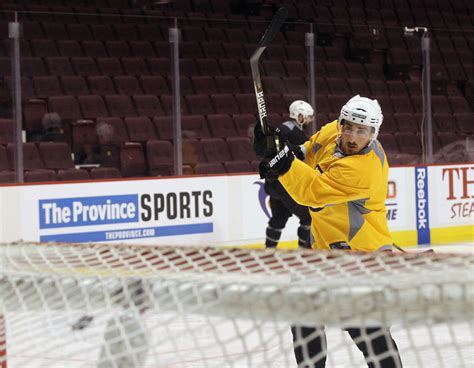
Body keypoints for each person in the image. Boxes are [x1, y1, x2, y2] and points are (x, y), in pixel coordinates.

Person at [256, 95, 402, 367]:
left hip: (362, 259)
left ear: (373, 133)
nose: (352, 136)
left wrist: (283, 162)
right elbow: (309, 150)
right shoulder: (333, 130)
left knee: (368, 333)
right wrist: (280, 150)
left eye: (361, 131)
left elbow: (311, 191)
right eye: (348, 127)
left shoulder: (364, 169)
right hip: (325, 252)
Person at [254, 100, 313, 249]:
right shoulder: (294, 134)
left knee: (278, 218)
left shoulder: (280, 130)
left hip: (273, 186)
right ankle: (303, 253)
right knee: (308, 217)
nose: (310, 120)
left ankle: (269, 251)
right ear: (300, 116)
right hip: (286, 186)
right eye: (308, 117)